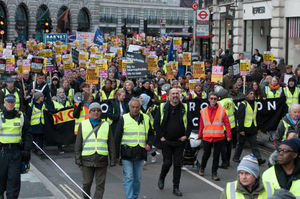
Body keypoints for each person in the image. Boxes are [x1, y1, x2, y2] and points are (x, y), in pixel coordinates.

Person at [75, 102, 116, 199]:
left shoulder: (106, 125)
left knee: (100, 185)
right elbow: (78, 143)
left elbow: (111, 143)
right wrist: (77, 159)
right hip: (87, 159)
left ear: (100, 112)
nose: (96, 112)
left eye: (98, 110)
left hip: (101, 159)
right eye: (93, 110)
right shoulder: (83, 124)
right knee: (86, 183)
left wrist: (113, 159)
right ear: (89, 112)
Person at [115, 97, 154, 199]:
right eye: (133, 107)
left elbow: (151, 134)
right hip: (126, 152)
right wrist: (116, 155)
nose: (135, 109)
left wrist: (149, 143)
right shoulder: (124, 118)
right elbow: (117, 137)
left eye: (137, 107)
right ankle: (130, 197)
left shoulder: (145, 118)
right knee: (129, 177)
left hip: (140, 152)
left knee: (137, 179)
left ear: (140, 107)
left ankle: (134, 196)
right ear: (129, 107)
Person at [154, 88, 189, 196]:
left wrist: (186, 136)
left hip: (179, 141)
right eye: (173, 93)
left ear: (180, 95)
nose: (175, 95)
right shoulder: (162, 107)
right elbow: (156, 124)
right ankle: (162, 177)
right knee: (167, 163)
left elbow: (190, 123)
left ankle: (176, 187)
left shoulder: (185, 107)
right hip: (167, 141)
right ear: (169, 96)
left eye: (177, 93)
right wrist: (161, 137)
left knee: (177, 164)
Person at [0, 94, 32, 198]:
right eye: (8, 102)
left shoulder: (21, 116)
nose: (10, 104)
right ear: (4, 102)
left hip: (16, 152)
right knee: (1, 181)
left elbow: (28, 134)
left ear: (15, 103)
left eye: (12, 102)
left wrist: (27, 150)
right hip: (2, 152)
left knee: (13, 182)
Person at [198, 92, 231, 181]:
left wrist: (228, 135)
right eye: (211, 98)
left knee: (216, 156)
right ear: (208, 99)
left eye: (215, 99)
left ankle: (214, 173)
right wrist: (200, 135)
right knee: (206, 154)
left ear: (217, 100)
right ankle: (202, 168)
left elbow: (227, 124)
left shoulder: (222, 110)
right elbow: (201, 124)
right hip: (207, 137)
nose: (213, 100)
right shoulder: (203, 111)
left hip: (218, 137)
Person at [232, 89, 266, 165]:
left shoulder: (256, 104)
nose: (252, 95)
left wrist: (258, 128)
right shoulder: (243, 104)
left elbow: (257, 117)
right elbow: (240, 118)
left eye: (253, 94)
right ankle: (236, 158)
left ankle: (259, 159)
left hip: (252, 128)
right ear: (247, 95)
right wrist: (241, 130)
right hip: (243, 128)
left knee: (254, 145)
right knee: (240, 144)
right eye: (250, 93)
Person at [218, 88, 236, 169]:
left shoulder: (219, 103)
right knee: (229, 146)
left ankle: (224, 163)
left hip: (223, 128)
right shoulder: (231, 100)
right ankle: (228, 161)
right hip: (232, 126)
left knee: (223, 146)